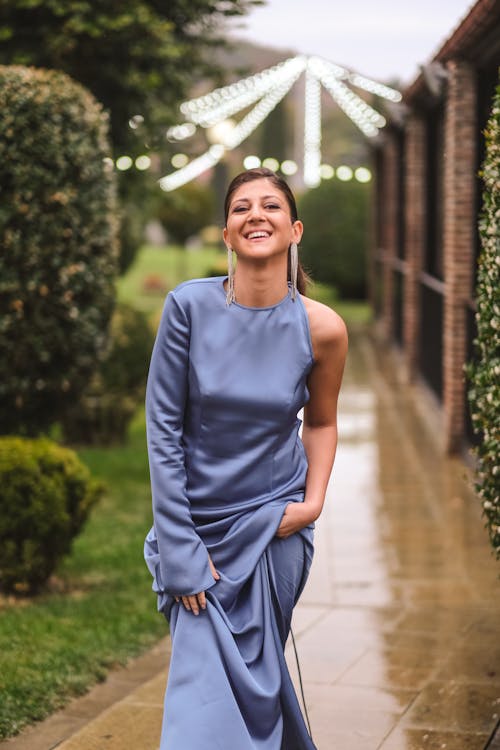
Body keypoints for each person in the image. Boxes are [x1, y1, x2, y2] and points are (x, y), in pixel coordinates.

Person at [144, 167, 348, 750]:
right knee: (204, 699)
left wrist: (310, 505)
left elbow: (324, 422)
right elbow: (162, 429)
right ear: (227, 234)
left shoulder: (324, 329)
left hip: (274, 532)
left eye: (271, 206)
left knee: (255, 689)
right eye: (241, 208)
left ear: (295, 229)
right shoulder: (188, 307)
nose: (256, 214)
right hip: (197, 537)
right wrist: (179, 549)